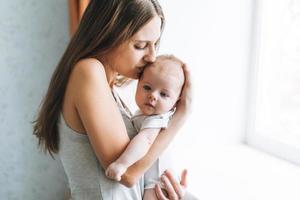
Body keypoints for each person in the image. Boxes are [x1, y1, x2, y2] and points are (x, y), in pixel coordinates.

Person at [33, 0, 193, 199]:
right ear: (109, 34)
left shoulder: (111, 90)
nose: (152, 57)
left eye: (154, 45)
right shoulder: (88, 71)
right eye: (141, 45)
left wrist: (163, 187)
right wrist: (179, 118)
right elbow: (126, 174)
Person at [105, 55, 185, 198]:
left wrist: (122, 164)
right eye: (147, 87)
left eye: (164, 94)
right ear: (138, 84)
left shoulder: (158, 119)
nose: (153, 96)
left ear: (176, 101)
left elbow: (145, 140)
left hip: (158, 183)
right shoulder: (144, 115)